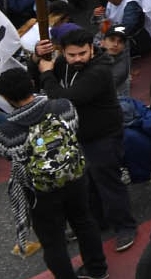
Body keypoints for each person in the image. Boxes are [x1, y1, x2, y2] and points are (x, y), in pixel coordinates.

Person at [0, 67, 108, 279]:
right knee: (84, 221)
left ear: (6, 98)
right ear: (31, 83)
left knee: (53, 240)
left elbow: (10, 156)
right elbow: (75, 128)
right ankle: (96, 268)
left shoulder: (8, 130)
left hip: (40, 191)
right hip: (76, 176)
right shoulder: (63, 106)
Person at [36, 26, 137, 250]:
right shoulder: (64, 64)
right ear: (62, 52)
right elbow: (40, 72)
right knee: (88, 183)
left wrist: (46, 74)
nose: (78, 58)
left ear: (92, 48)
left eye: (83, 53)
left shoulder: (99, 70)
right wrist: (37, 56)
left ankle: (125, 227)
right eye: (72, 55)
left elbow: (68, 98)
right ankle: (98, 221)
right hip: (80, 136)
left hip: (103, 135)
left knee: (109, 183)